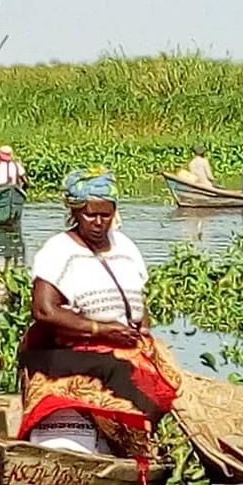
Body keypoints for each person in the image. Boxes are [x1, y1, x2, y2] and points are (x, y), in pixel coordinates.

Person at [17, 168, 180, 461]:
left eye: (105, 215)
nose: (98, 223)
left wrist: (142, 329)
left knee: (170, 380)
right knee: (122, 375)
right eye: (90, 215)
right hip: (76, 346)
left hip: (126, 341)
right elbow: (44, 309)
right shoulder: (58, 250)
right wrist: (100, 329)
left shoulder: (125, 246)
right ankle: (128, 446)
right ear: (76, 212)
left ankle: (148, 443)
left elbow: (139, 301)